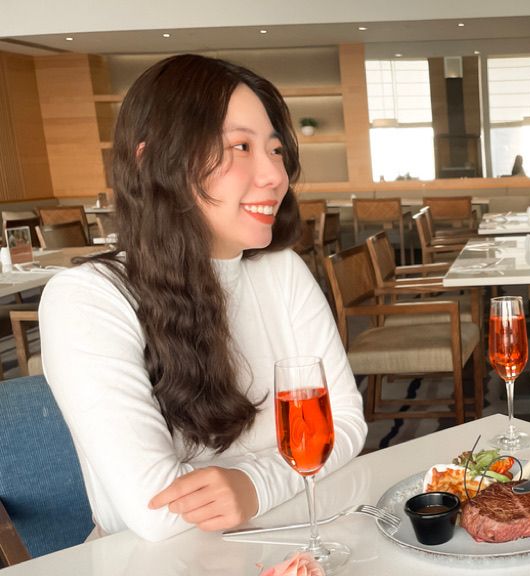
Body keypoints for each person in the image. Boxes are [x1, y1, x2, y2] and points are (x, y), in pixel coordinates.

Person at [38, 54, 368, 542]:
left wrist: (254, 483)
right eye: (240, 146)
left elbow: (345, 424)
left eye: (275, 150)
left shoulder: (283, 271)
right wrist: (280, 469)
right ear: (152, 161)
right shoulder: (88, 301)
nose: (275, 175)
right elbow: (159, 512)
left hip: (291, 532)